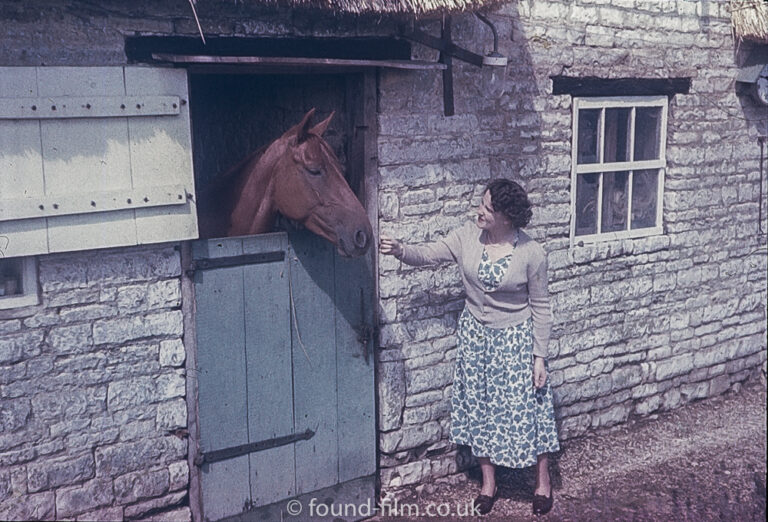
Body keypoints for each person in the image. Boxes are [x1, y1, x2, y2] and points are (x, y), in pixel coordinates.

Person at [380, 179, 559, 516]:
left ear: (506, 217)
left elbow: (541, 307)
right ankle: (488, 484)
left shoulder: (531, 253)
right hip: (476, 339)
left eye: (488, 208)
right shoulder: (466, 237)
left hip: (515, 341)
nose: (479, 210)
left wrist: (539, 357)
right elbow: (429, 254)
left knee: (531, 411)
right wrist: (401, 249)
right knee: (480, 408)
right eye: (482, 203)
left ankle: (542, 482)